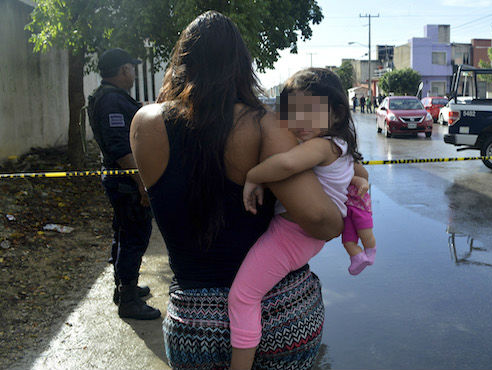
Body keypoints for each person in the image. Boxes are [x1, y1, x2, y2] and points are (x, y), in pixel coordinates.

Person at [130, 11, 343, 369]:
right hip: (279, 316)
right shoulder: (264, 125)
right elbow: (323, 222)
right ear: (243, 66)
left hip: (192, 324)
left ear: (182, 62)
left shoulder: (144, 122)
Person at [229, 68, 373, 369]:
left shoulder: (320, 147)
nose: (300, 123)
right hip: (302, 235)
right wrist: (361, 181)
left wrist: (253, 176)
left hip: (292, 235)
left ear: (335, 114)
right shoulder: (340, 145)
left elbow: (286, 163)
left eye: (310, 113)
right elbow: (360, 171)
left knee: (242, 297)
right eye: (293, 113)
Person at [87, 48, 160, 320]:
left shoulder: (112, 98)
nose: (133, 72)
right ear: (123, 70)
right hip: (126, 183)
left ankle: (124, 289)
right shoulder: (111, 102)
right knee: (134, 237)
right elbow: (120, 149)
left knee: (124, 234)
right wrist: (142, 183)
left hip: (121, 181)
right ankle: (128, 300)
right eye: (131, 67)